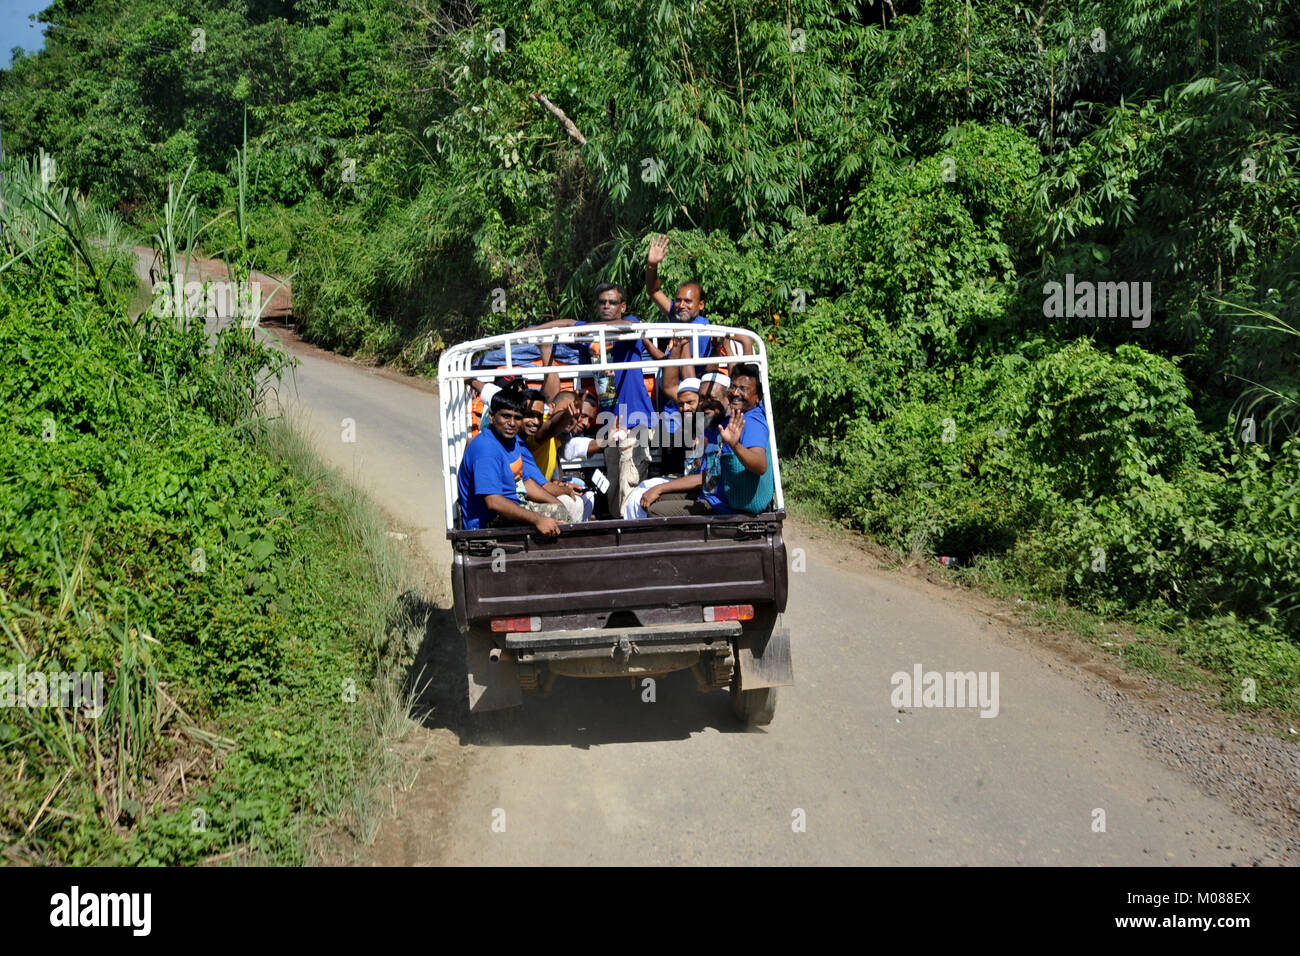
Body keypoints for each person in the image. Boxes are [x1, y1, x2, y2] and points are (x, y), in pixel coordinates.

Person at [644, 364, 772, 516]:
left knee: (656, 511)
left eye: (743, 389)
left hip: (722, 503)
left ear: (757, 397)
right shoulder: (718, 422)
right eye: (702, 398)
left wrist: (735, 445)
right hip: (709, 493)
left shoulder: (750, 421)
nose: (737, 393)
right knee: (656, 499)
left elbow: (761, 466)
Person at [456, 388, 561, 536]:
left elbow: (524, 482)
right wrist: (538, 520)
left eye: (517, 418)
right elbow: (494, 502)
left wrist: (557, 503)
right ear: (492, 417)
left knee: (563, 514)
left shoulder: (511, 441)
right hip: (488, 525)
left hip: (512, 509)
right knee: (558, 524)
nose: (511, 423)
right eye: (506, 416)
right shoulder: (486, 450)